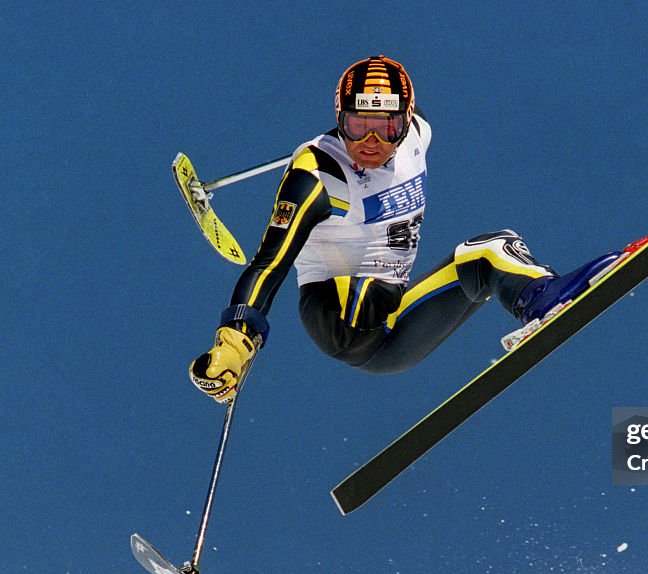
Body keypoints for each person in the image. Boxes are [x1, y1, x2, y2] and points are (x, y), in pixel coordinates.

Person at [189, 55, 624, 403]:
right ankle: (547, 298)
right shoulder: (317, 175)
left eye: (386, 128)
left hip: (393, 335)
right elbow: (270, 262)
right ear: (339, 118)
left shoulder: (418, 134)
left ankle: (542, 299)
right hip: (340, 316)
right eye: (358, 127)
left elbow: (395, 120)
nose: (371, 144)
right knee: (482, 253)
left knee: (495, 252)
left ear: (406, 120)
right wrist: (237, 337)